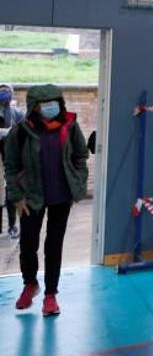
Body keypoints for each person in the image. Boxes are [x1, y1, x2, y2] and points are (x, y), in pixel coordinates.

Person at [4, 84, 88, 316]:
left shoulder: (69, 127)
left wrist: (76, 186)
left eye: (55, 101)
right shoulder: (21, 130)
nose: (51, 106)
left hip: (61, 197)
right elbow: (10, 166)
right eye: (45, 102)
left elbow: (81, 156)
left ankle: (51, 295)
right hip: (30, 197)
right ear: (34, 106)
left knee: (54, 245)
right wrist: (16, 196)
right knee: (28, 244)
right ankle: (30, 284)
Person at [0, 83, 26, 239]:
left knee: (10, 190)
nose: (4, 94)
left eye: (7, 91)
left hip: (11, 157)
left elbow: (24, 131)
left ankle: (12, 226)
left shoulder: (16, 113)